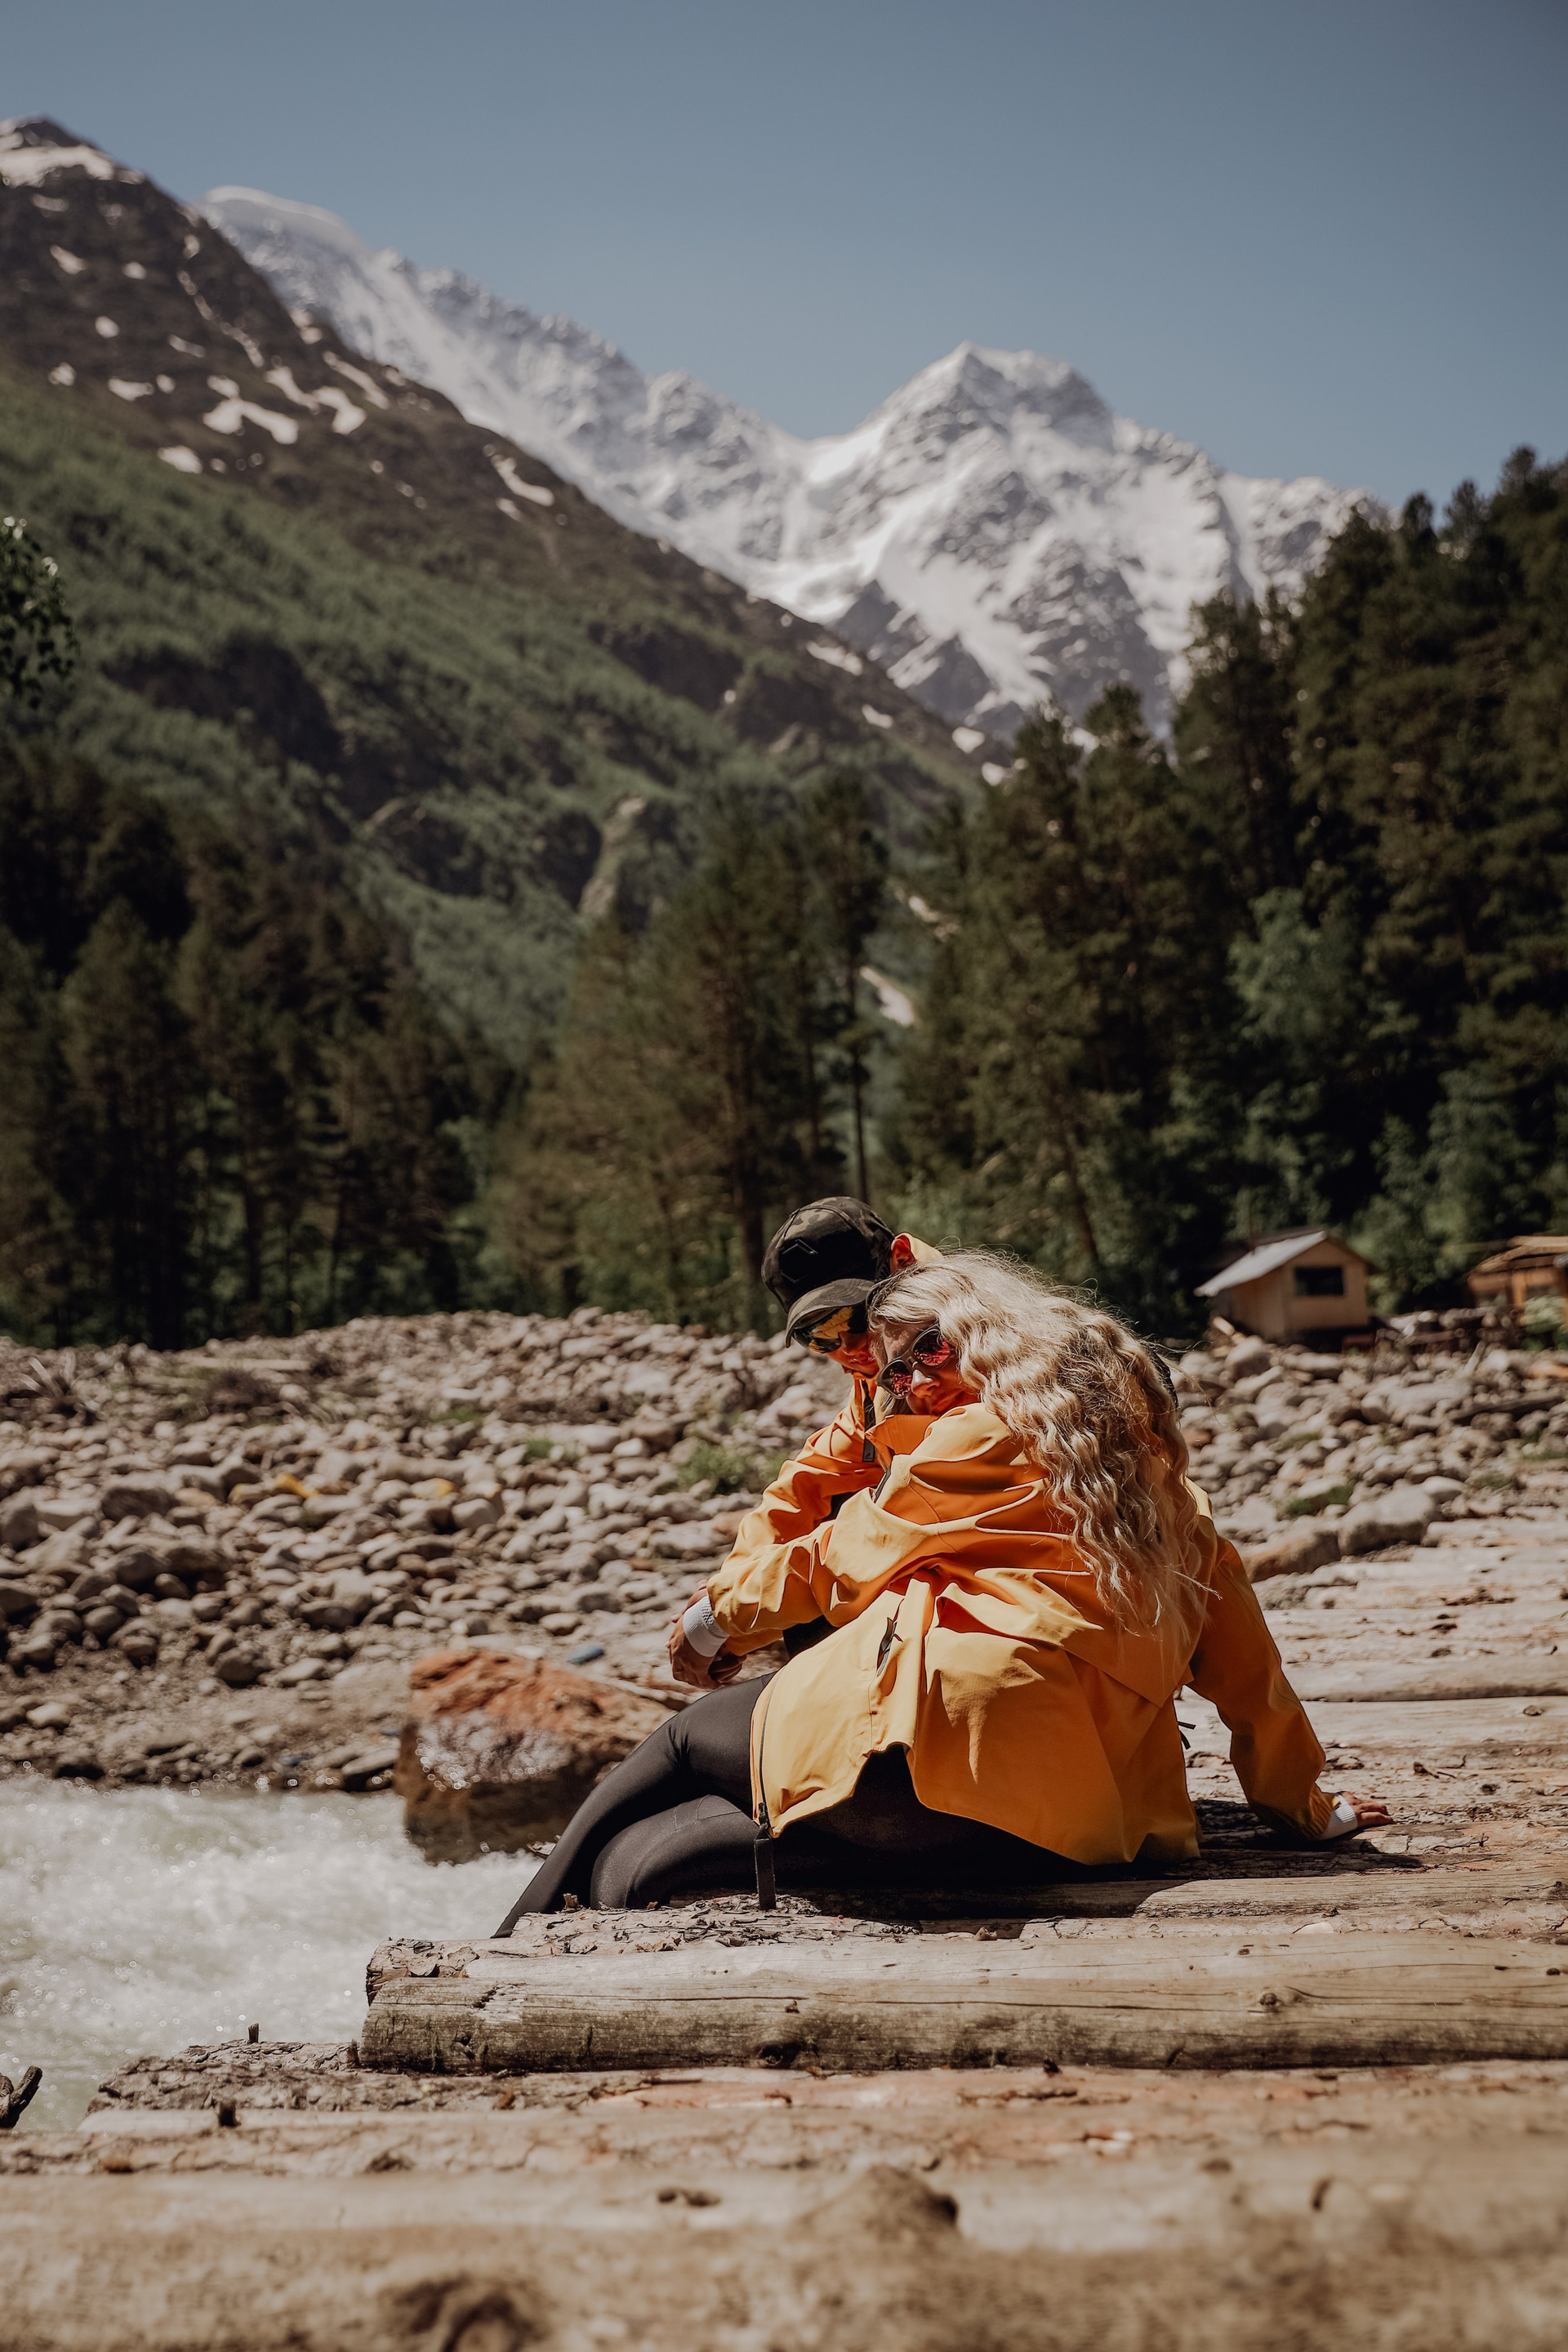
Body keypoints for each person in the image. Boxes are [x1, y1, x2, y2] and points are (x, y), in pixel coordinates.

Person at [495, 1253, 1386, 1926]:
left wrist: (708, 1622)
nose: (913, 1380)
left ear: (993, 1334)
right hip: (1071, 1823)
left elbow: (836, 1557)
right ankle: (615, 1901)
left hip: (934, 1758)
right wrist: (1304, 1809)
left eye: (929, 1350)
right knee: (637, 1867)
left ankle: (504, 1942)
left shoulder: (974, 1435)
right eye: (896, 1371)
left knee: (686, 1740)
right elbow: (1249, 1672)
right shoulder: (1170, 1491)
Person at [670, 1196, 942, 1682]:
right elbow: (809, 1480)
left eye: (854, 1316)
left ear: (901, 1261)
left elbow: (891, 1533)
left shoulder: (953, 1363)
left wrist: (726, 1617)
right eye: (819, 1335)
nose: (848, 1346)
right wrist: (728, 1588)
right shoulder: (890, 1364)